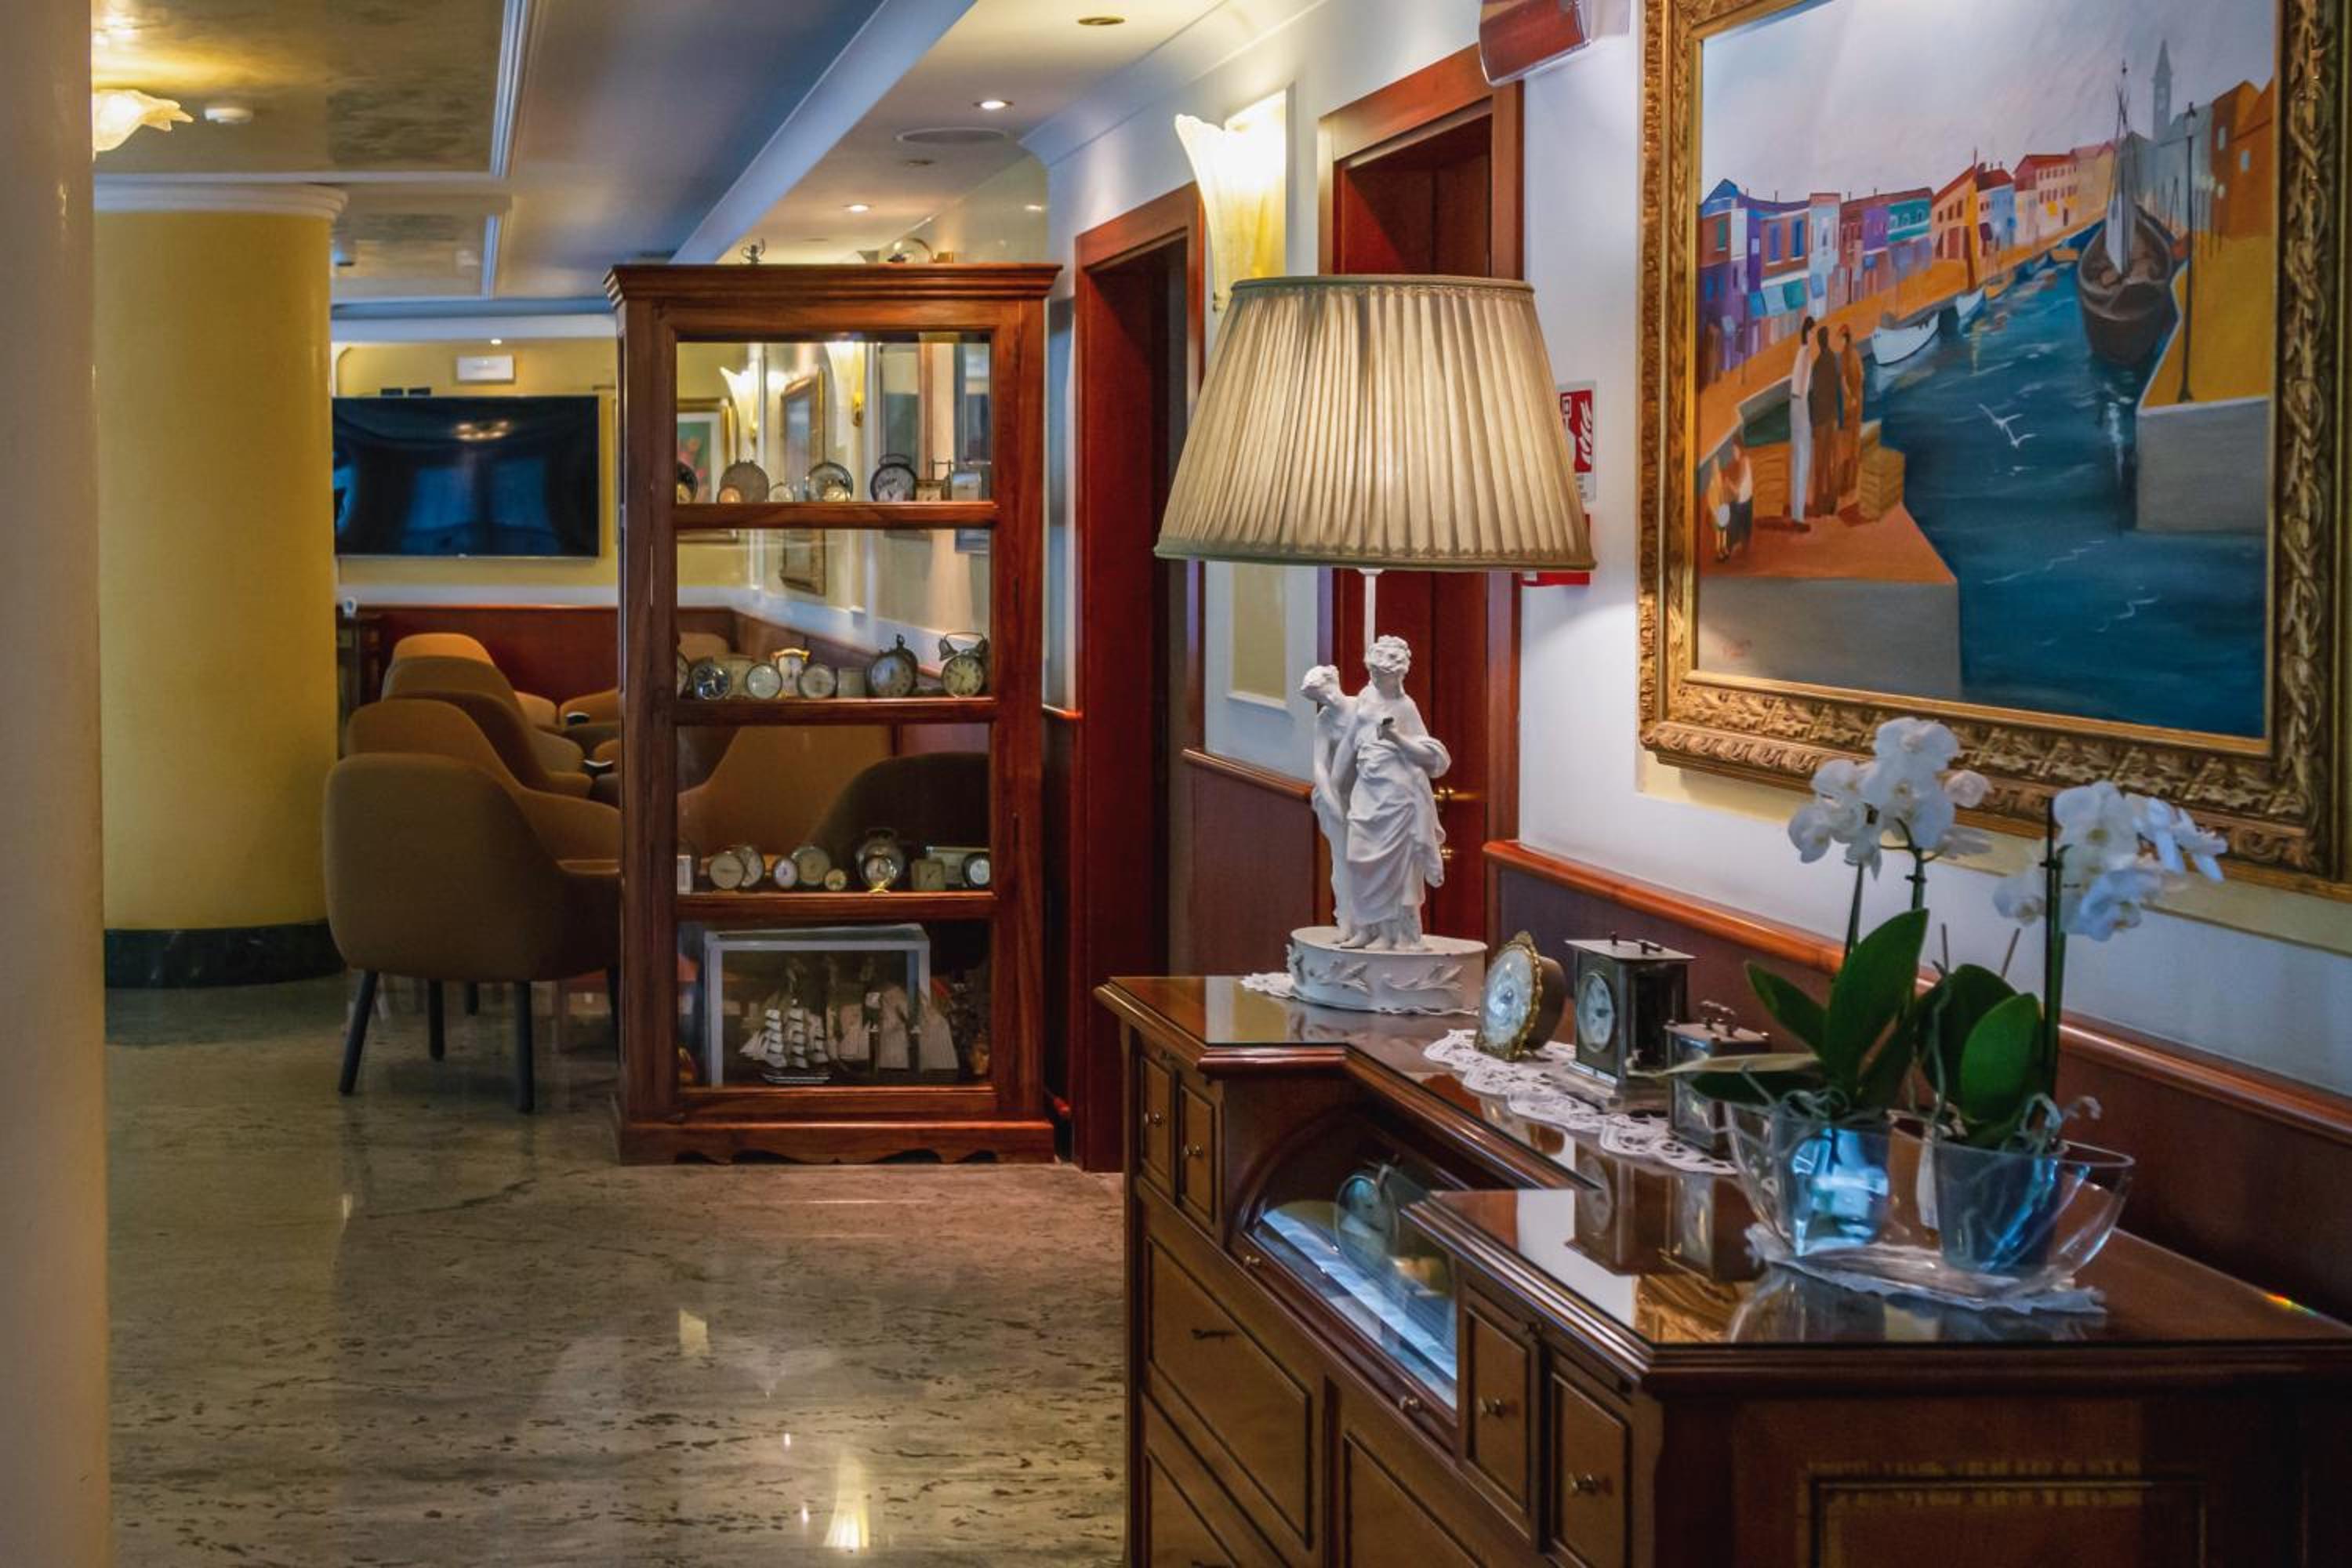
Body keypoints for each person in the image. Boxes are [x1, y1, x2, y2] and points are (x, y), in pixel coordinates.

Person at [1331, 637, 1450, 952]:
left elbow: (1429, 755)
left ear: (1397, 675)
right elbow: (1350, 739)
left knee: (1394, 870)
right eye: (1372, 671)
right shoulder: (1366, 696)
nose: (1374, 677)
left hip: (1396, 796)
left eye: (1380, 673)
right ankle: (1366, 928)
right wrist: (1335, 780)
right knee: (1358, 859)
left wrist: (1395, 737)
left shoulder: (1405, 707)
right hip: (1367, 792)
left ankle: (1390, 934)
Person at [1299, 664, 1361, 943]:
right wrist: (1332, 801)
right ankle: (1347, 920)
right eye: (1320, 698)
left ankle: (1370, 924)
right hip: (1337, 798)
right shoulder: (1324, 720)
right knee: (1342, 862)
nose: (1327, 699)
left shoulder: (1362, 709)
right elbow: (1319, 765)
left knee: (1365, 860)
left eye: (1326, 692)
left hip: (1366, 798)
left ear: (1334, 682)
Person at [1807, 323, 1842, 521]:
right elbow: (1837, 389)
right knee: (1832, 462)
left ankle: (1819, 504)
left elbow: (1814, 396)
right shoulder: (1834, 360)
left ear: (1819, 343)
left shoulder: (1818, 365)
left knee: (1820, 465)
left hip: (1821, 420)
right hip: (1833, 418)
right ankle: (1832, 503)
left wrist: (1812, 422)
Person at [1786, 314, 1817, 528]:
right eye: (1812, 332)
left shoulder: (1800, 352)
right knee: (1803, 458)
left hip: (1794, 404)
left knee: (1797, 456)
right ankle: (1798, 515)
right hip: (1801, 405)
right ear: (1808, 332)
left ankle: (1797, 512)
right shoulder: (1806, 355)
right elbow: (1804, 389)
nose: (1813, 336)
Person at [1837, 324, 1866, 509]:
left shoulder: (1846, 355)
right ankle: (1851, 482)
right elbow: (1862, 374)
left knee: (1850, 441)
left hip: (1851, 403)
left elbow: (1844, 381)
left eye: (1840, 337)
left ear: (1844, 338)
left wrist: (1850, 397)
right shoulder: (1854, 353)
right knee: (1854, 441)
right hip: (1857, 399)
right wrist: (1857, 394)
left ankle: (1848, 484)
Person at [1714, 434, 1755, 559]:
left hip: (1741, 502)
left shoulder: (1743, 462)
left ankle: (1731, 546)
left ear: (1739, 448)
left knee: (1729, 516)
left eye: (1734, 450)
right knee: (1745, 525)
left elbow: (1737, 490)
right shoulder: (1746, 460)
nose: (1733, 453)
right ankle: (1741, 543)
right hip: (1748, 500)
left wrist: (1728, 484)